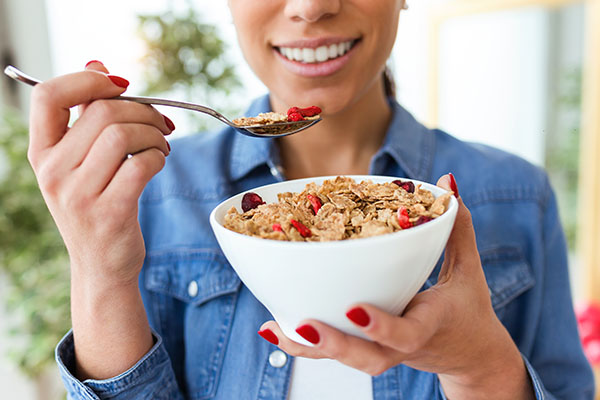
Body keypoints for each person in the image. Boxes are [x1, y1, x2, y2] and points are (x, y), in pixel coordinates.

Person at [26, 1, 594, 399]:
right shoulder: (149, 191)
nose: (311, 6)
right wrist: (99, 272)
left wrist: (480, 369)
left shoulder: (519, 197)